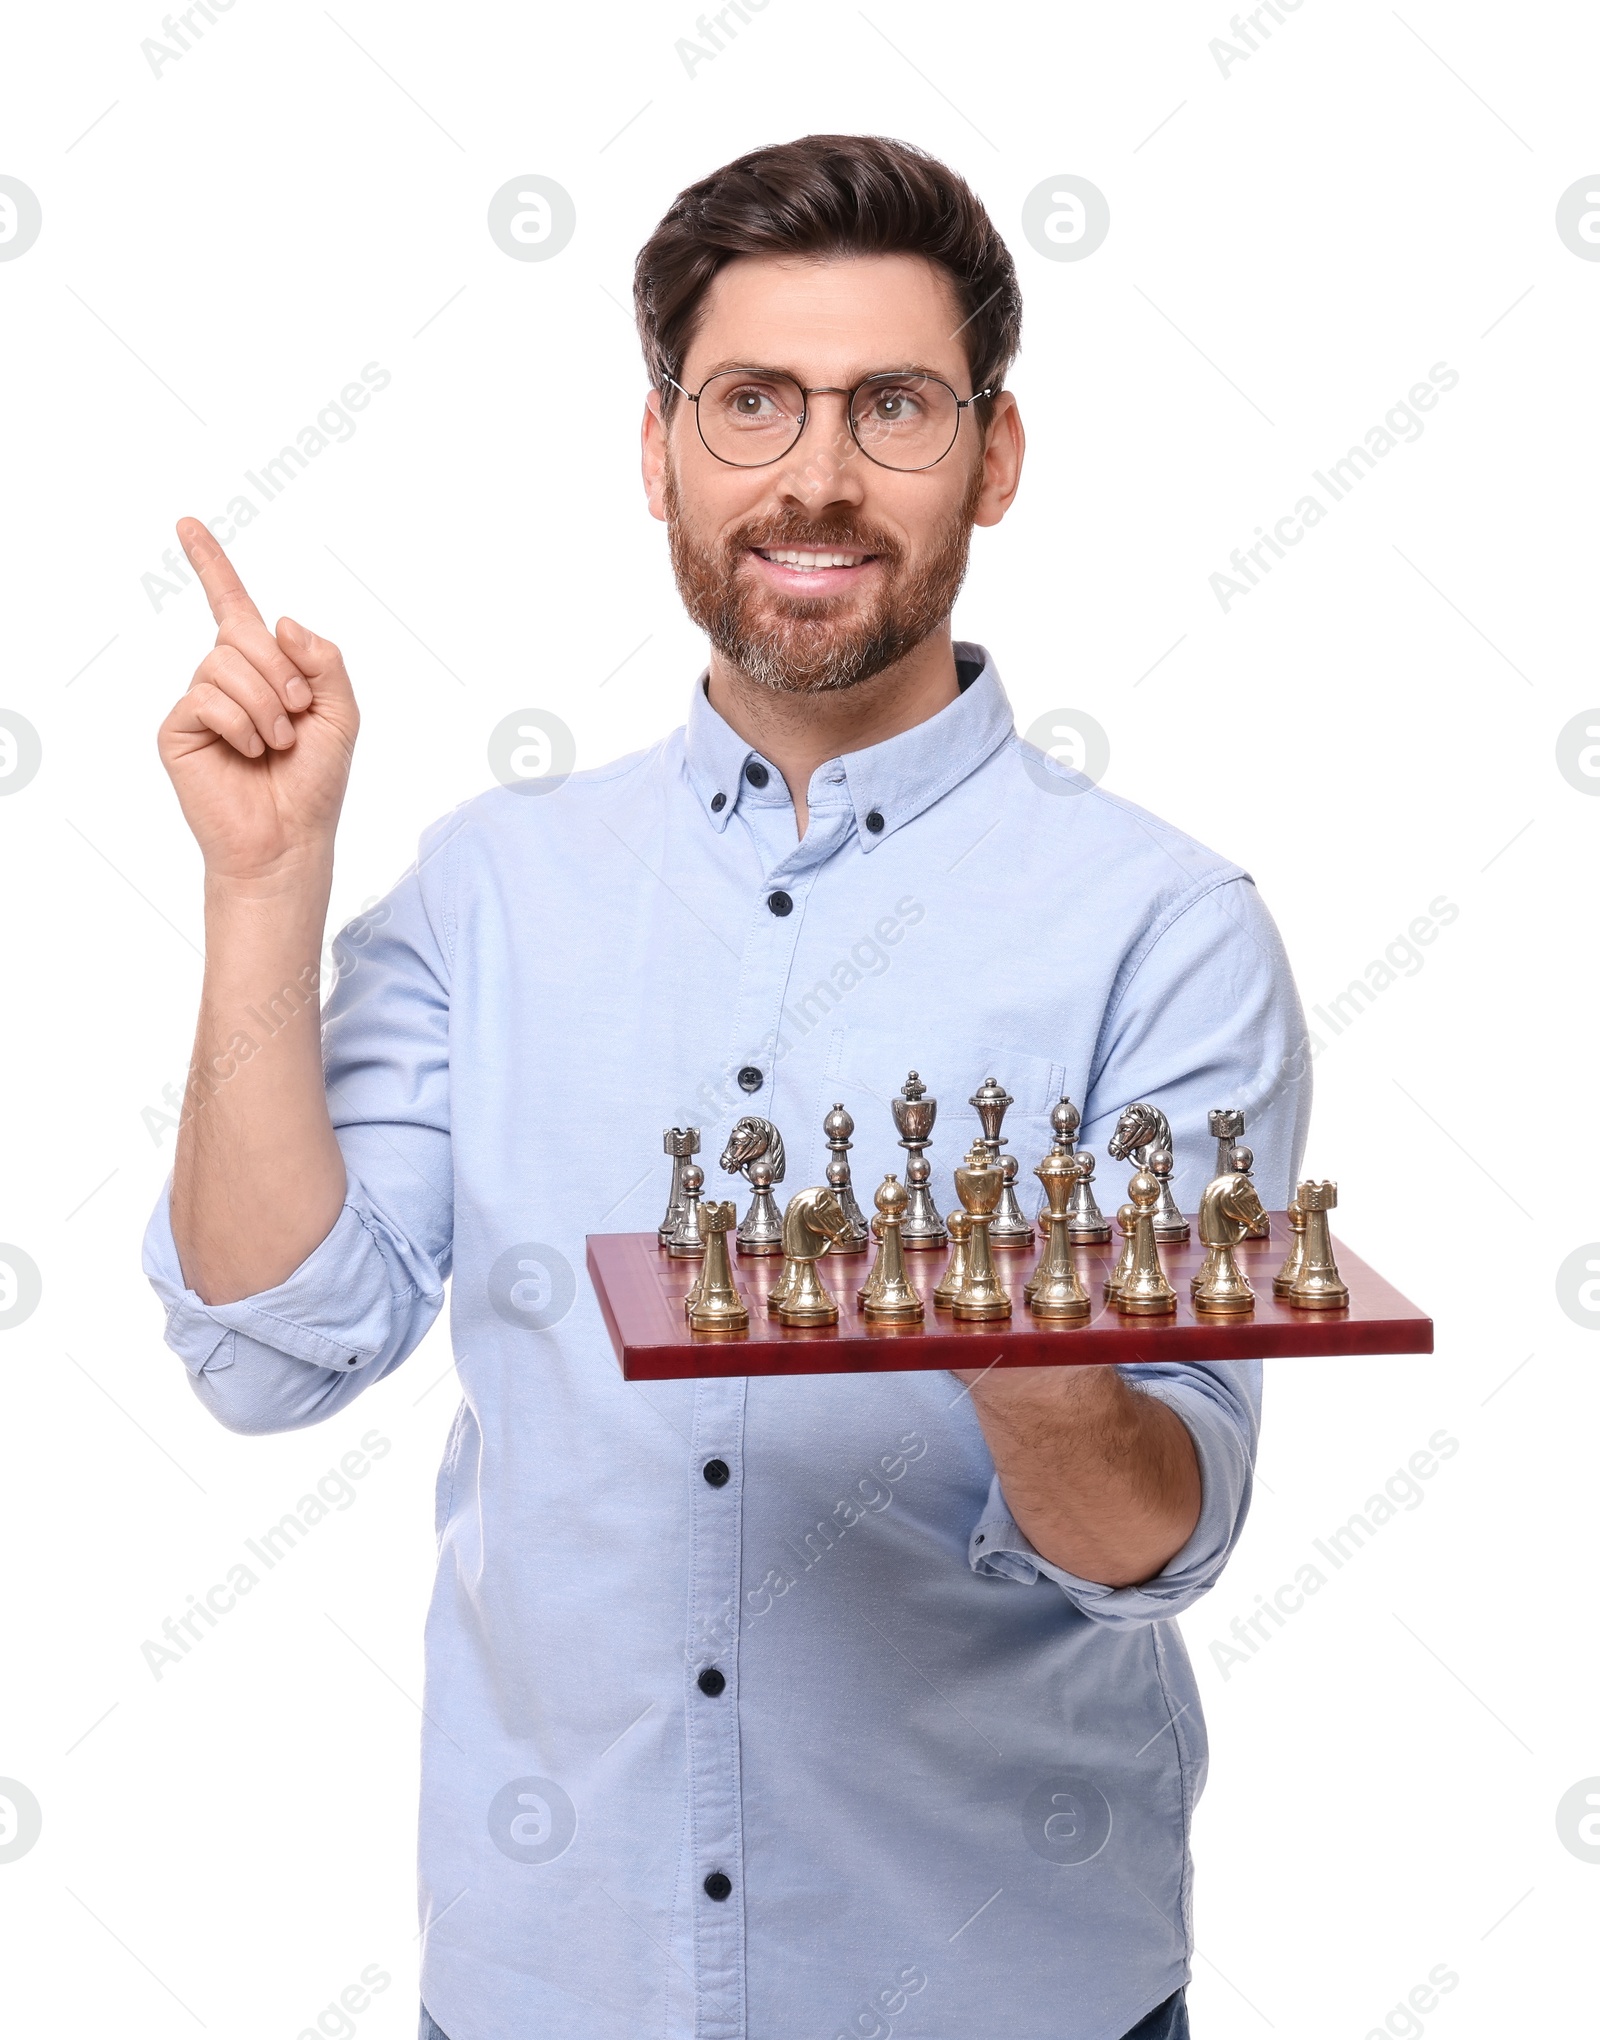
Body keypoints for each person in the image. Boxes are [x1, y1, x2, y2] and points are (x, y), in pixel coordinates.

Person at [144, 133, 1309, 2040]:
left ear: (995, 458)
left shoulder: (1162, 930)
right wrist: (266, 886)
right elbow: (275, 1353)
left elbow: (1157, 1540)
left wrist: (1025, 1359)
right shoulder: (490, 890)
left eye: (895, 407)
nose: (818, 474)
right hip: (549, 1995)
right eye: (752, 402)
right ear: (661, 449)